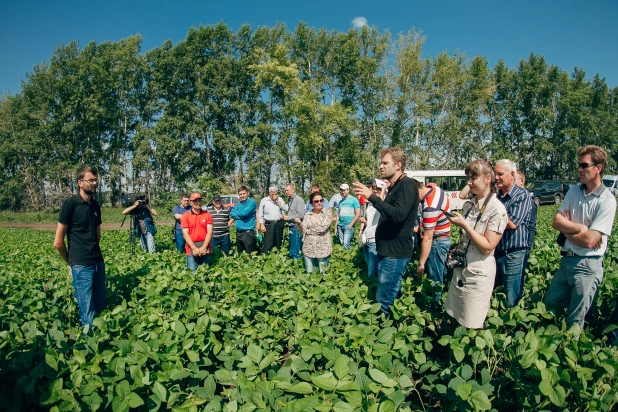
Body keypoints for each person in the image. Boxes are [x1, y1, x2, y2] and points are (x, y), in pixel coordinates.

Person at [544, 145, 616, 331]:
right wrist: (581, 227)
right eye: (579, 165)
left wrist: (566, 230)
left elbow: (590, 241)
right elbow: (556, 221)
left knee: (575, 321)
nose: (579, 169)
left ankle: (568, 356)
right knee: (549, 307)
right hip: (566, 261)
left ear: (598, 168)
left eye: (584, 165)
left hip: (588, 265)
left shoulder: (607, 200)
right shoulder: (574, 191)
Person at [353, 148, 420, 316]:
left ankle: (383, 336)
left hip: (395, 254)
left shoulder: (407, 185)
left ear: (398, 165)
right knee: (391, 296)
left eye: (385, 163)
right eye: (380, 163)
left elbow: (398, 215)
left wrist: (372, 197)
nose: (380, 166)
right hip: (388, 251)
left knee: (384, 302)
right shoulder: (396, 186)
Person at [444, 159, 508, 329]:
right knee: (455, 315)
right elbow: (468, 237)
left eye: (473, 178)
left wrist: (464, 224)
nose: (469, 183)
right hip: (462, 268)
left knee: (471, 322)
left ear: (488, 178)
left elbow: (488, 246)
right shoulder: (469, 205)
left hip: (478, 271)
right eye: (468, 178)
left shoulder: (497, 209)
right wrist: (457, 249)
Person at [53, 165, 105, 329]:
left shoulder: (95, 205)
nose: (95, 183)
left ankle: (102, 344)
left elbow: (97, 235)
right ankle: (90, 348)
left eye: (96, 180)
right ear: (80, 183)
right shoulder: (70, 204)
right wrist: (72, 262)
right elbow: (58, 242)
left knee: (100, 306)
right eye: (91, 180)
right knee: (88, 313)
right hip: (81, 265)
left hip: (98, 262)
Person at [493, 159, 533, 307]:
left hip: (513, 255)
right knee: (496, 295)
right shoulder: (496, 196)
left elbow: (512, 223)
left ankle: (512, 327)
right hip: (496, 252)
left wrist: (492, 212)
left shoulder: (521, 195)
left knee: (511, 298)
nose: (496, 177)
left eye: (500, 174)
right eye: (495, 174)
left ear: (512, 174)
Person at [415, 180, 452, 299]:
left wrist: (421, 264)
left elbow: (428, 238)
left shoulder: (430, 206)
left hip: (437, 242)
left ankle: (435, 307)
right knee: (441, 272)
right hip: (444, 236)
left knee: (435, 278)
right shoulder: (434, 189)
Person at [296, 191, 332, 273]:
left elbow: (322, 229)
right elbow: (302, 231)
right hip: (308, 248)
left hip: (323, 248)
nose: (319, 203)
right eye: (316, 201)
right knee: (309, 273)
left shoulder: (327, 213)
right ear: (312, 203)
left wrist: (308, 230)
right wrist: (299, 223)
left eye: (321, 200)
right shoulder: (307, 215)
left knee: (323, 273)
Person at [358, 179, 385, 278]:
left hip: (374, 240)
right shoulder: (369, 204)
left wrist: (384, 188)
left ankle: (371, 289)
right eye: (372, 188)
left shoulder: (383, 202)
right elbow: (371, 221)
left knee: (372, 270)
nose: (374, 191)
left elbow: (381, 206)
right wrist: (364, 225)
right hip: (366, 239)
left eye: (376, 189)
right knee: (370, 266)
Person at [181, 192, 214, 270]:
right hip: (191, 248)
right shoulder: (186, 216)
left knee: (205, 273)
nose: (198, 203)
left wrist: (204, 247)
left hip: (205, 247)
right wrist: (194, 248)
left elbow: (210, 231)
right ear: (191, 202)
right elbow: (185, 233)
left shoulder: (207, 214)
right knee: (192, 273)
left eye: (199, 200)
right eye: (195, 201)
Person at [515, 170, 537, 275]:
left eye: (513, 180)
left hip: (521, 248)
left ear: (521, 180)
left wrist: (528, 247)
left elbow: (532, 227)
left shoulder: (529, 201)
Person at [257, 186, 287, 253]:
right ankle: (267, 256)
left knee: (278, 242)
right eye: (273, 194)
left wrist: (279, 204)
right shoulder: (264, 200)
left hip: (279, 223)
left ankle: (278, 256)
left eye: (276, 194)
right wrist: (261, 224)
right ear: (269, 193)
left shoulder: (280, 199)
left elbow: (286, 209)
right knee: (268, 242)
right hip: (269, 224)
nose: (274, 195)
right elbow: (260, 214)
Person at [229, 185, 258, 254]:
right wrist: (242, 215)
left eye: (244, 193)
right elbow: (231, 214)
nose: (242, 196)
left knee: (250, 254)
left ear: (247, 193)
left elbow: (244, 213)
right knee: (240, 254)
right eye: (240, 194)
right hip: (239, 232)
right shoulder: (238, 204)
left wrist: (240, 214)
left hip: (248, 233)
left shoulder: (252, 202)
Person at [283, 183, 306, 260]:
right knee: (293, 246)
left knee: (296, 248)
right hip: (291, 226)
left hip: (297, 227)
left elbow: (301, 215)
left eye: (287, 190)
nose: (286, 192)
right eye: (285, 190)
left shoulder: (299, 200)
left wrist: (288, 218)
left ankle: (296, 265)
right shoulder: (290, 199)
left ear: (293, 190)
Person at [335, 184, 360, 250]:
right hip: (340, 225)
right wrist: (336, 227)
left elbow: (358, 213)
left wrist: (351, 224)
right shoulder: (340, 202)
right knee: (342, 243)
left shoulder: (354, 200)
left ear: (348, 190)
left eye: (344, 190)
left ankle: (348, 257)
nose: (343, 192)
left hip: (348, 225)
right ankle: (342, 258)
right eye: (341, 190)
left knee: (346, 243)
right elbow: (338, 214)